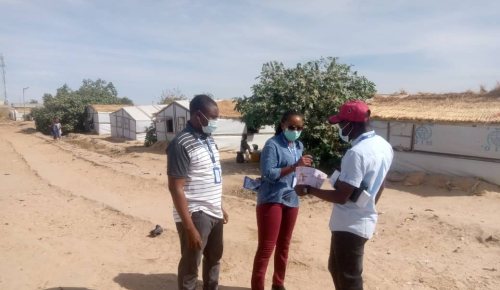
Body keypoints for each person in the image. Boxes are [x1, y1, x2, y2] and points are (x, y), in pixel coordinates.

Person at [295, 100, 393, 290]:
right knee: (337, 268)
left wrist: (309, 189)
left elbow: (341, 196)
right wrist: (368, 204)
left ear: (351, 124)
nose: (339, 128)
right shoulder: (383, 145)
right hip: (362, 219)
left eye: (341, 124)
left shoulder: (357, 153)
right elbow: (382, 183)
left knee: (348, 277)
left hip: (349, 224)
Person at [167, 94, 229, 290]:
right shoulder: (180, 143)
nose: (215, 122)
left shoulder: (209, 139)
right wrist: (190, 228)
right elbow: (175, 187)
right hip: (195, 214)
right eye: (212, 118)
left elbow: (209, 177)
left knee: (214, 259)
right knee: (191, 265)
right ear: (198, 115)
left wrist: (219, 206)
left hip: (214, 211)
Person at [251, 111, 313, 290]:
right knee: (266, 248)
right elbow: (268, 174)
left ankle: (278, 283)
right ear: (283, 124)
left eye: (300, 128)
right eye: (292, 127)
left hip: (291, 199)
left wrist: (307, 177)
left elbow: (297, 173)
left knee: (284, 245)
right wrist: (295, 166)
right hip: (272, 199)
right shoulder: (272, 145)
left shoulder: (298, 145)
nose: (296, 131)